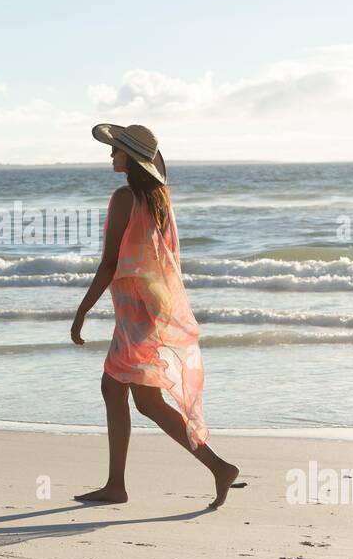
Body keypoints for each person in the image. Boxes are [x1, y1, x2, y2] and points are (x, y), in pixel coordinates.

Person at [70, 123, 239, 508]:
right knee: (133, 396)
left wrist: (81, 314)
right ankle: (211, 468)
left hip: (135, 311)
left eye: (116, 150)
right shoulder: (158, 198)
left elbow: (110, 263)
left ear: (131, 157)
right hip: (149, 308)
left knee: (127, 393)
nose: (111, 156)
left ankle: (208, 468)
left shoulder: (124, 199)